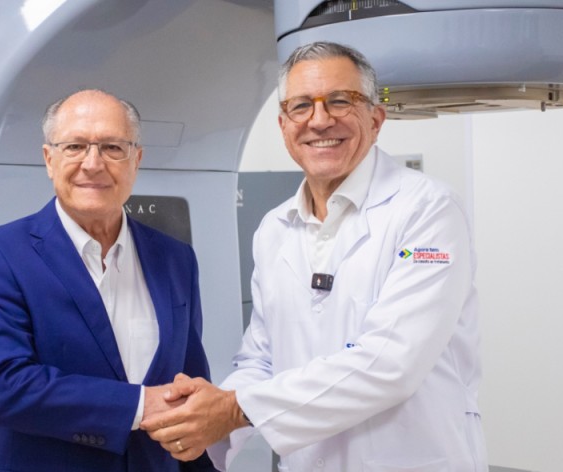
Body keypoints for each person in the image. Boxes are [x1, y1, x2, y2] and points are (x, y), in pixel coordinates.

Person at [141, 41, 487, 471]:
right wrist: (203, 415)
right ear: (284, 125)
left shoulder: (427, 210)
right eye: (301, 106)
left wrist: (232, 410)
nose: (320, 120)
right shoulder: (274, 228)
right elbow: (261, 358)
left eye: (340, 101)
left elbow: (390, 363)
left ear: (376, 119)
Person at [0, 89, 216, 471]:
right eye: (75, 146)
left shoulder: (176, 259)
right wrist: (140, 406)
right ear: (49, 159)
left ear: (136, 160)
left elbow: (189, 389)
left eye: (112, 147)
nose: (93, 164)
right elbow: (2, 387)